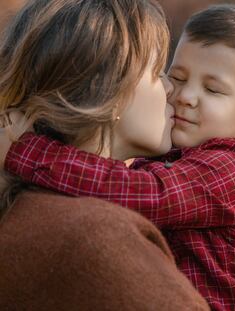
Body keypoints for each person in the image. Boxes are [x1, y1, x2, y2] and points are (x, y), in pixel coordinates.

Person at [1, 4, 235, 311]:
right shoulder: (97, 225)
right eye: (173, 75)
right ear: (109, 90)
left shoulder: (231, 166)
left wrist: (24, 150)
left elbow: (142, 193)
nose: (182, 95)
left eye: (212, 89)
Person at [0, 0, 209, 310]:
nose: (170, 90)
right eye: (156, 73)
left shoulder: (24, 210)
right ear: (109, 91)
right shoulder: (98, 239)